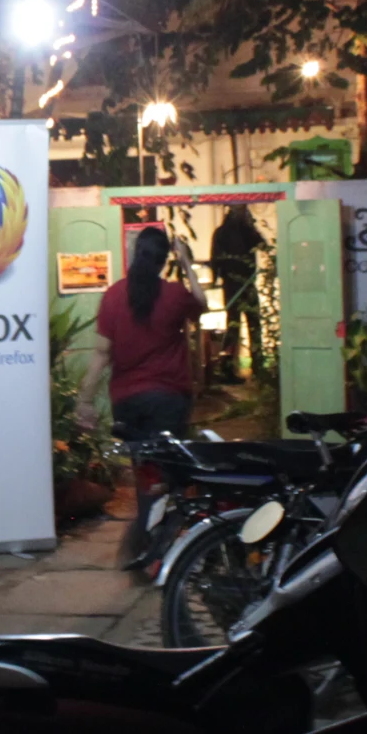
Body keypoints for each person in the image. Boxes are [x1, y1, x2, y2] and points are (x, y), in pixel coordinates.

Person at [78, 226, 211, 562]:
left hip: (128, 403)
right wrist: (187, 263)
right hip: (168, 399)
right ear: (164, 260)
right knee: (171, 473)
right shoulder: (174, 295)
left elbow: (101, 355)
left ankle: (147, 539)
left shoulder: (113, 296)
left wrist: (84, 400)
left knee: (145, 472)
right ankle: (156, 542)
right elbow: (202, 303)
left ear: (136, 253)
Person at [209, 204, 267, 382]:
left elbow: (215, 259)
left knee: (235, 325)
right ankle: (256, 367)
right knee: (251, 324)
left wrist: (217, 277)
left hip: (234, 284)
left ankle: (228, 368)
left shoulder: (222, 232)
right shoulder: (244, 231)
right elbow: (262, 244)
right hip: (244, 284)